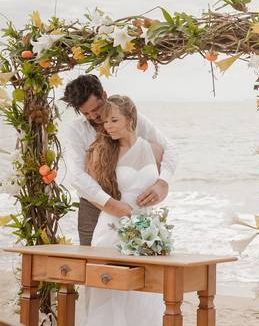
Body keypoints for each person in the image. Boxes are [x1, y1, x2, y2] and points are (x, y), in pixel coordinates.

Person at [70, 95, 167, 326]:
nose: (107, 126)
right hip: (113, 226)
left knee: (145, 293)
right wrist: (112, 206)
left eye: (114, 120)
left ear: (130, 120)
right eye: (105, 121)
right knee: (111, 293)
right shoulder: (102, 151)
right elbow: (87, 185)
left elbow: (161, 180)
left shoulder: (155, 149)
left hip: (146, 227)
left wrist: (161, 190)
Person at [60, 74, 176, 245]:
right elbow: (76, 175)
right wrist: (110, 205)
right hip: (93, 204)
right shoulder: (76, 130)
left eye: (96, 108)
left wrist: (162, 182)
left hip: (132, 207)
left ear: (104, 96)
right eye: (86, 113)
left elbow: (169, 148)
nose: (93, 116)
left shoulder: (132, 118)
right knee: (93, 263)